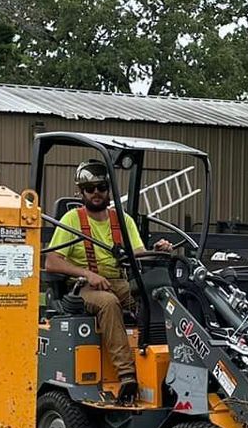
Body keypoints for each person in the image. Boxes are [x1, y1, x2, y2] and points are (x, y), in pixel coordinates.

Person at [42, 159, 171, 401]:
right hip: (83, 287)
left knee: (155, 298)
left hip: (117, 281)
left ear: (108, 189)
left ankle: (164, 364)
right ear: (80, 192)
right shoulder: (71, 219)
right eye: (90, 189)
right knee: (109, 303)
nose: (96, 193)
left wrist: (158, 249)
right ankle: (127, 375)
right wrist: (87, 273)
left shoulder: (123, 221)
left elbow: (138, 254)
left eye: (101, 187)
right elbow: (52, 262)